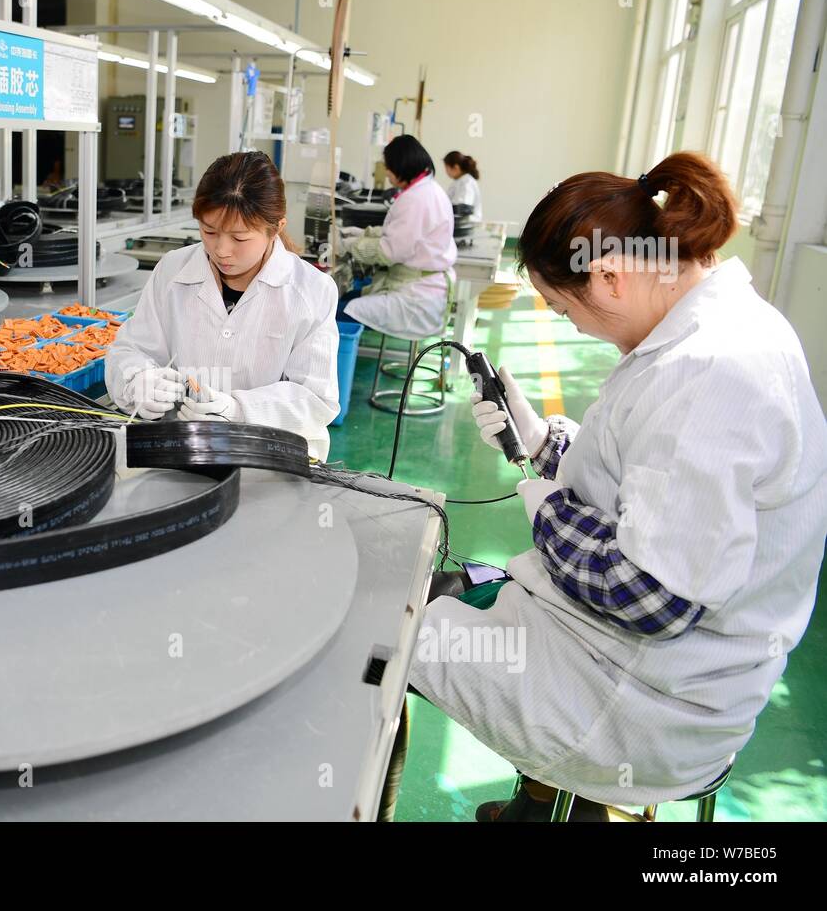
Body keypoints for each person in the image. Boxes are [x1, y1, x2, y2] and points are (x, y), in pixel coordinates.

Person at [411, 151, 827, 821]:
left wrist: (542, 503)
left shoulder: (713, 373)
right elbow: (645, 484)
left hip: (647, 702)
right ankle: (544, 804)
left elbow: (649, 594)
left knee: (391, 632)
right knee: (463, 592)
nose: (562, 323)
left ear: (608, 276)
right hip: (634, 660)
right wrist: (544, 444)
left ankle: (572, 798)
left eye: (559, 306)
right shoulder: (703, 328)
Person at [105, 151, 340, 460]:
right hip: (182, 448)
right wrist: (136, 380)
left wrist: (238, 410)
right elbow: (131, 349)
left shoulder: (312, 290)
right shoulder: (173, 270)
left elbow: (315, 399)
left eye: (240, 238)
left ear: (276, 227)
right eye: (209, 231)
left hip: (272, 457)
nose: (221, 250)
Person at [337, 135, 457, 339]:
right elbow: (400, 233)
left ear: (401, 167)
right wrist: (363, 233)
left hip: (416, 298)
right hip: (416, 286)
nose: (387, 175)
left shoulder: (417, 199)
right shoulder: (427, 190)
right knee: (348, 298)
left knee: (339, 312)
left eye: (388, 168)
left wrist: (349, 245)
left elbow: (388, 252)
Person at [443, 150, 482, 222]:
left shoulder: (467, 182)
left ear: (456, 167)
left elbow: (463, 207)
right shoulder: (458, 182)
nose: (446, 171)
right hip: (460, 223)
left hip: (467, 224)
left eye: (446, 168)